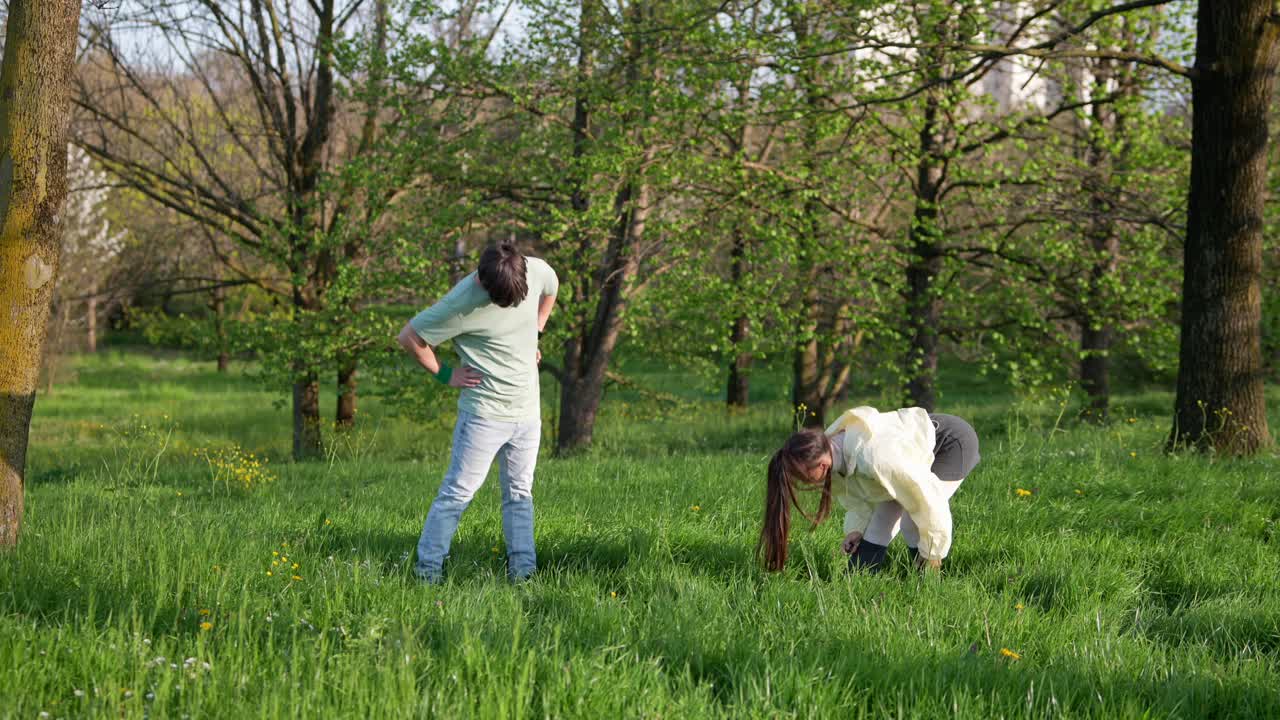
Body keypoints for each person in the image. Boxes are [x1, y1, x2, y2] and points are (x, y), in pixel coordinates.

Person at [397, 243, 558, 583]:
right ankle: (427, 574)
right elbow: (409, 337)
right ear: (484, 286)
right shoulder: (461, 303)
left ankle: (524, 576)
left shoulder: (534, 270)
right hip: (484, 417)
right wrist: (446, 374)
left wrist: (535, 333)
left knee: (520, 494)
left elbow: (552, 287)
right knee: (458, 494)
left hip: (528, 413)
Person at [758, 406, 980, 574]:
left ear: (821, 465)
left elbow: (927, 500)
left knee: (912, 521)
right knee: (880, 522)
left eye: (804, 477)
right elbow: (862, 493)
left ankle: (927, 584)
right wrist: (857, 529)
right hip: (911, 449)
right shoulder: (831, 451)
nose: (806, 483)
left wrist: (933, 553)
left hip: (951, 443)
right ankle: (857, 582)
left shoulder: (876, 457)